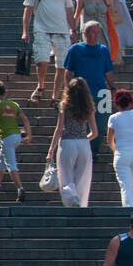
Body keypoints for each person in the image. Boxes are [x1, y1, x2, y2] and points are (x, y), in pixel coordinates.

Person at [22, 0, 75, 103]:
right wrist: (25, 30)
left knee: (62, 65)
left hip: (61, 30)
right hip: (42, 30)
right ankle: (41, 85)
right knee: (42, 60)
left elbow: (69, 10)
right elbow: (28, 9)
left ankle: (56, 96)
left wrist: (73, 29)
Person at [63, 20, 117, 161]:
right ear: (85, 33)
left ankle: (93, 151)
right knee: (83, 124)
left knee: (101, 124)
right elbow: (68, 72)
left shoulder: (103, 50)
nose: (95, 35)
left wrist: (114, 89)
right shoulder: (75, 49)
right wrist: (68, 91)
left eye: (98, 32)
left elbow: (108, 72)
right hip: (81, 94)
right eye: (92, 32)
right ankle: (84, 152)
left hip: (102, 93)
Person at [47, 77, 97, 208]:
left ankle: (71, 197)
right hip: (83, 143)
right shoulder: (89, 107)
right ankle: (80, 202)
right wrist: (84, 139)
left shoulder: (64, 105)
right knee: (82, 178)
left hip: (67, 142)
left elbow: (59, 128)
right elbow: (95, 132)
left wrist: (51, 149)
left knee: (65, 176)